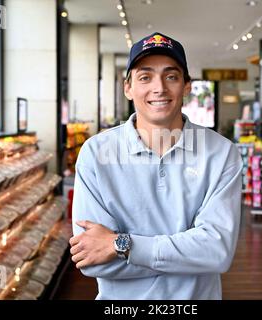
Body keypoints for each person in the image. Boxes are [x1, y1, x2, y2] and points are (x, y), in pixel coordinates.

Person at [69, 32, 243, 300]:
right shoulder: (95, 153)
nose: (159, 88)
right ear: (128, 87)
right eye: (145, 77)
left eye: (171, 76)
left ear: (187, 86)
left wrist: (121, 245)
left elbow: (216, 252)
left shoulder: (220, 153)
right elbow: (94, 260)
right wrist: (186, 258)